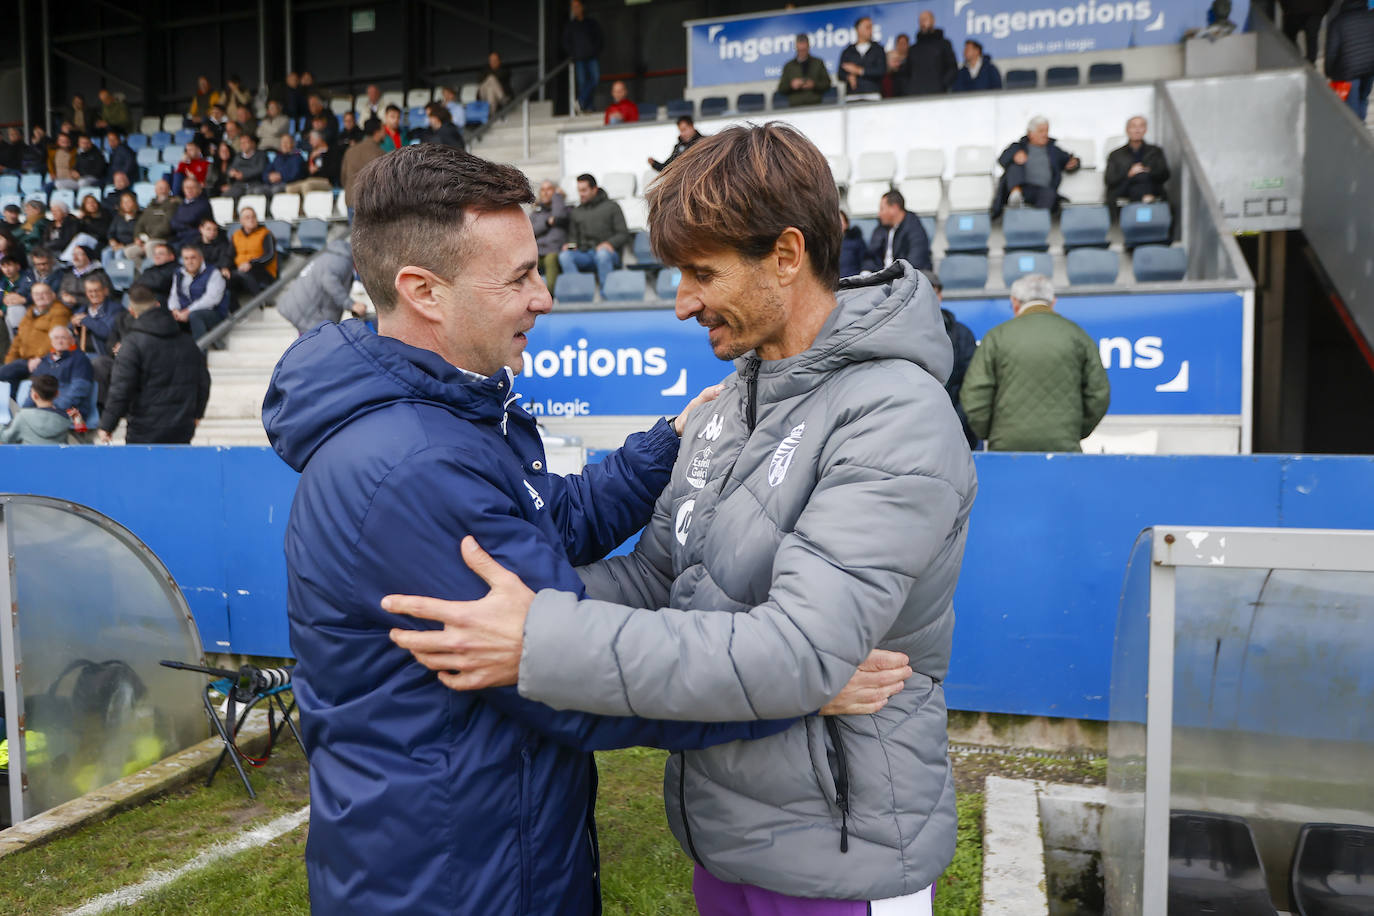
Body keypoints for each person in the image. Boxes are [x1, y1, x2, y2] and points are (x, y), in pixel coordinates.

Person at [259, 143, 898, 914]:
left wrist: (665, 447)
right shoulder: (414, 465)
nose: (544, 297)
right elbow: (578, 682)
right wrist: (796, 685)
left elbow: (546, 524)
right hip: (454, 881)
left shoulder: (442, 419)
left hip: (479, 847)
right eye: (521, 277)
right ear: (424, 291)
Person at [960, 274, 1110, 452]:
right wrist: (1075, 430)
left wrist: (989, 432)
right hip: (1064, 447)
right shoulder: (1078, 336)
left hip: (1006, 448)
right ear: (1053, 302)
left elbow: (974, 393)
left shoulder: (997, 336)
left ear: (1015, 302)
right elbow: (1099, 393)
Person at [97, 283, 211, 445]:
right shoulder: (187, 341)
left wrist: (107, 424)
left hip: (144, 428)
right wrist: (197, 414)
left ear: (131, 311)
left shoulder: (132, 344)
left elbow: (121, 388)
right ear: (157, 305)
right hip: (182, 427)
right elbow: (203, 381)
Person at [991, 116, 1080, 218]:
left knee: (1049, 195)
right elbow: (1002, 159)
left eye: (1046, 130)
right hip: (1022, 188)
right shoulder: (1017, 147)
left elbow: (1071, 159)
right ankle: (1016, 194)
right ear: (1030, 133)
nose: (1045, 134)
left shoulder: (1054, 150)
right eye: (1041, 131)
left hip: (1042, 190)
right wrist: (1014, 155)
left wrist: (1074, 163)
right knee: (1014, 164)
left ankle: (1037, 222)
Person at [0, 283, 72, 402]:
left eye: (44, 293)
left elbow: (56, 340)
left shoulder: (59, 312)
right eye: (36, 294)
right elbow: (18, 340)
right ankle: (12, 412)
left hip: (46, 360)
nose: (40, 297)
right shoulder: (30, 312)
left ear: (53, 295)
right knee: (5, 374)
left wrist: (40, 358)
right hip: (25, 361)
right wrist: (9, 361)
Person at [559, 173, 630, 289]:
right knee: (565, 256)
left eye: (584, 190)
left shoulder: (612, 207)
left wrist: (609, 243)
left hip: (608, 254)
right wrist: (570, 246)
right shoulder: (576, 212)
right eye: (579, 191)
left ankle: (607, 295)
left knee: (602, 255)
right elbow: (573, 238)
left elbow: (623, 233)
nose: (581, 194)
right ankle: (578, 293)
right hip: (585, 255)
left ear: (594, 189)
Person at [274, 238, 356, 334]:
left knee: (308, 341)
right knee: (312, 342)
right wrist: (351, 304)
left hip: (299, 304)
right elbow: (329, 281)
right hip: (306, 309)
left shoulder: (332, 255)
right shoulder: (342, 261)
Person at [1104, 116, 1171, 204]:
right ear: (1127, 130)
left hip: (1149, 184)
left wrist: (1148, 170)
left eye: (1141, 126)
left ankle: (1143, 199)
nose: (1137, 130)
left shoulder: (1155, 151)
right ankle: (1145, 199)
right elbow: (1109, 180)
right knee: (1136, 183)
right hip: (1125, 187)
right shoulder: (1116, 154)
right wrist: (1129, 173)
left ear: (1145, 130)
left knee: (1142, 177)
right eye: (1133, 126)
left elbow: (1165, 174)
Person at [1326, 0, 1374, 122]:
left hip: (1347, 71)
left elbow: (1331, 52)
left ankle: (1356, 131)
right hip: (1369, 67)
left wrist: (1329, 72)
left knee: (1349, 107)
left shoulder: (1337, 22)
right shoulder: (1371, 17)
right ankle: (1361, 125)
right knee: (1363, 98)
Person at [865, 189, 933, 273]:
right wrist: (866, 271)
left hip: (906, 279)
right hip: (883, 280)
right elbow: (871, 255)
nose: (879, 214)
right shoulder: (880, 229)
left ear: (894, 208)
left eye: (882, 209)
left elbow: (914, 263)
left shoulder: (914, 229)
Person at [169, 243, 227, 339]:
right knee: (164, 316)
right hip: (185, 312)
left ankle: (201, 352)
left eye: (193, 258)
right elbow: (174, 295)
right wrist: (174, 310)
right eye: (186, 258)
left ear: (201, 258)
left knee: (194, 315)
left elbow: (211, 300)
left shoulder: (214, 273)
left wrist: (188, 311)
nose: (189, 262)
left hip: (213, 314)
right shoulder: (179, 273)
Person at [0, 373, 71, 444]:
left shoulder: (23, 416)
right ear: (57, 394)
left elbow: (6, 438)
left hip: (28, 454)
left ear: (34, 395)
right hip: (55, 455)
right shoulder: (65, 418)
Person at [900, 10, 959, 95]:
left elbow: (952, 68)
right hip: (915, 96)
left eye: (925, 19)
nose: (922, 23)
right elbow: (905, 73)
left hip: (937, 95)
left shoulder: (944, 44)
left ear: (933, 21)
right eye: (920, 20)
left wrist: (942, 85)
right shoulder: (913, 49)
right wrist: (909, 88)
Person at [71, 273, 124, 357]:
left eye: (97, 290)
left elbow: (108, 333)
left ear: (105, 291)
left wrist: (86, 320)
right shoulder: (83, 309)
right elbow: (69, 332)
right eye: (90, 291)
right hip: (80, 354)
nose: (94, 294)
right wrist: (72, 324)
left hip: (101, 355)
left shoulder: (115, 309)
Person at [564, 0, 604, 113]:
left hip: (592, 57)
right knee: (583, 84)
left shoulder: (591, 23)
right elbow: (566, 42)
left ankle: (581, 102)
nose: (575, 9)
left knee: (594, 80)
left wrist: (595, 51)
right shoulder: (571, 26)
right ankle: (587, 107)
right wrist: (573, 55)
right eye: (573, 7)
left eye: (577, 6)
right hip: (579, 59)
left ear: (582, 7)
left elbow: (599, 38)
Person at [229, 207, 277, 297]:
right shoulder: (236, 235)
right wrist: (225, 268)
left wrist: (251, 264)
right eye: (247, 217)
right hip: (240, 271)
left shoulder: (266, 234)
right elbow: (230, 255)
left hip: (262, 271)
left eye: (253, 217)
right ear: (241, 221)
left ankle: (262, 301)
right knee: (224, 279)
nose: (251, 220)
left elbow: (269, 255)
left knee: (244, 274)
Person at [531, 179, 568, 294]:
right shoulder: (536, 213)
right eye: (543, 190)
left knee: (551, 259)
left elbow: (558, 216)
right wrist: (547, 223)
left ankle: (549, 296)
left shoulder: (563, 209)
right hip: (538, 251)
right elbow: (531, 231)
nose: (545, 193)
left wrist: (557, 197)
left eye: (549, 189)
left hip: (554, 251)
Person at [777, 34, 832, 106]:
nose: (802, 53)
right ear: (796, 48)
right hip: (795, 106)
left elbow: (827, 84)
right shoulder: (789, 66)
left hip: (815, 104)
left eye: (804, 50)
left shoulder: (818, 63)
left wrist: (814, 84)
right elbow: (781, 88)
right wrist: (791, 85)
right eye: (800, 50)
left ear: (808, 47)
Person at [838, 16, 887, 96]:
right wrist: (848, 77)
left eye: (871, 27)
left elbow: (881, 70)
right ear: (858, 30)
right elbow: (840, 74)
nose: (871, 30)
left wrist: (860, 71)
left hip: (873, 95)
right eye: (868, 27)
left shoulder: (878, 49)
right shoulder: (848, 51)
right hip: (853, 96)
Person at [340, 118, 385, 202]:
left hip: (351, 200)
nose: (385, 133)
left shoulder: (350, 150)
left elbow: (343, 178)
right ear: (376, 132)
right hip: (370, 204)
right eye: (383, 129)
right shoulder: (381, 154)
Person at [286, 131, 338, 195]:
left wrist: (319, 169)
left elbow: (333, 171)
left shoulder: (332, 152)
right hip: (311, 179)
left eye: (312, 140)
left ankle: (308, 205)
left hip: (326, 181)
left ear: (319, 139)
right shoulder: (312, 154)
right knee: (289, 188)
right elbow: (306, 171)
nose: (310, 142)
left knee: (306, 185)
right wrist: (311, 158)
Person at [133, 179, 181, 245]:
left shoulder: (172, 204)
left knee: (149, 245)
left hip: (163, 239)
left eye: (165, 188)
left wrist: (151, 238)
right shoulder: (150, 206)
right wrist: (137, 237)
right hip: (147, 239)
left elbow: (166, 226)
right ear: (155, 190)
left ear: (169, 190)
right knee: (129, 251)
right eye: (160, 188)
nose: (162, 191)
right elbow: (140, 224)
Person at [169, 177, 212, 249]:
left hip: (195, 237)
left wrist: (180, 224)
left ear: (199, 189)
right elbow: (173, 222)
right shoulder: (182, 204)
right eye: (187, 187)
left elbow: (191, 218)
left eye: (193, 187)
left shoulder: (203, 203)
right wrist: (183, 225)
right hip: (180, 236)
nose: (189, 190)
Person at [105, 192, 142, 267]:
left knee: (119, 253)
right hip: (117, 245)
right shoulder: (118, 217)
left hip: (131, 245)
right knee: (106, 253)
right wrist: (112, 241)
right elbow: (111, 232)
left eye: (129, 201)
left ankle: (121, 276)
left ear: (134, 202)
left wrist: (123, 245)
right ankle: (106, 276)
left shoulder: (140, 217)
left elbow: (138, 235)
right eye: (124, 202)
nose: (126, 204)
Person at [838, 210, 866, 277]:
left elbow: (866, 259)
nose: (837, 224)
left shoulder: (856, 241)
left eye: (840, 220)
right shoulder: (826, 245)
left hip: (852, 280)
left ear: (846, 224)